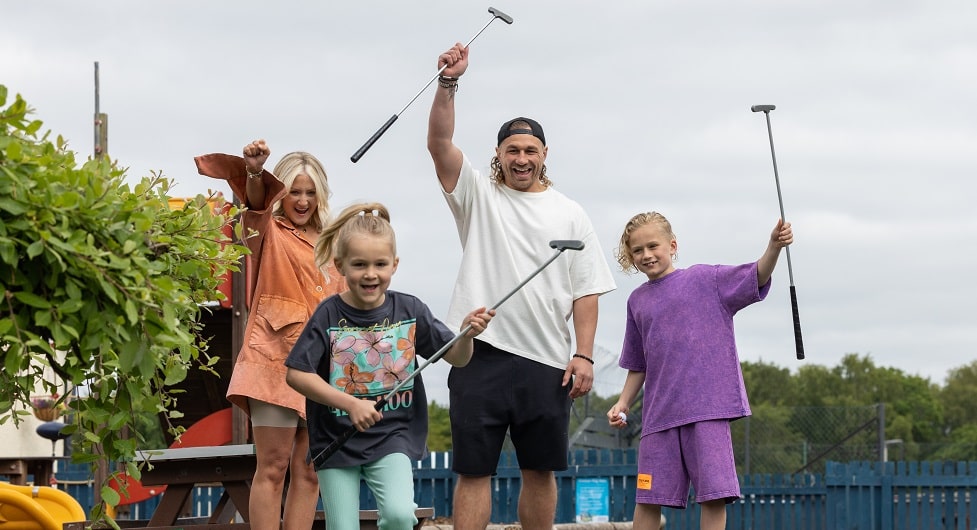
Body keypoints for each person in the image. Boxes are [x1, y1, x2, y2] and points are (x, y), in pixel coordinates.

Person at [427, 43, 617, 530]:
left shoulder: (571, 212)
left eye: (531, 150)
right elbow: (440, 144)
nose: (521, 157)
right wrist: (448, 84)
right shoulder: (477, 195)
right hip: (478, 351)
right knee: (473, 471)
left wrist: (585, 355)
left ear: (545, 155)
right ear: (498, 154)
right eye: (512, 149)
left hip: (548, 361)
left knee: (539, 471)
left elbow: (587, 290)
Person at [283, 202, 495, 530]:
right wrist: (350, 403)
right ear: (340, 265)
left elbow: (458, 357)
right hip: (335, 439)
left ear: (394, 265)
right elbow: (296, 373)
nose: (371, 273)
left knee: (399, 515)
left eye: (380, 264)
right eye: (359, 264)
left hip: (392, 436)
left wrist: (466, 334)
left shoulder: (410, 310)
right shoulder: (327, 314)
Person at [605, 211, 794, 530]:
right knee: (648, 498)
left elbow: (757, 276)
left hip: (708, 410)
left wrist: (773, 246)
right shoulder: (636, 301)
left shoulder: (708, 280)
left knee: (713, 496)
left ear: (672, 245)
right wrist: (623, 402)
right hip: (658, 416)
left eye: (653, 246)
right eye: (637, 250)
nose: (647, 255)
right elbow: (638, 364)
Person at [194, 140, 344, 530]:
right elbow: (257, 205)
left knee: (310, 472)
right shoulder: (266, 230)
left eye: (311, 192)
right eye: (294, 191)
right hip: (273, 363)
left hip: (323, 371)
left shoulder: (334, 246)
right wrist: (257, 174)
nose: (303, 200)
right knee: (273, 467)